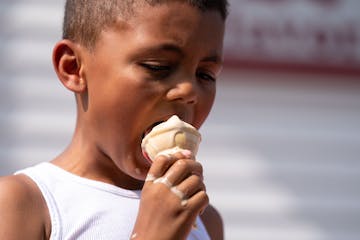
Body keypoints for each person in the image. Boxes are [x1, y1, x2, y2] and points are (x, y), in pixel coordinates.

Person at [0, 0, 228, 239]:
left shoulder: (204, 220)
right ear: (74, 68)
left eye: (205, 75)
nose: (188, 90)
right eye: (157, 67)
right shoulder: (23, 205)